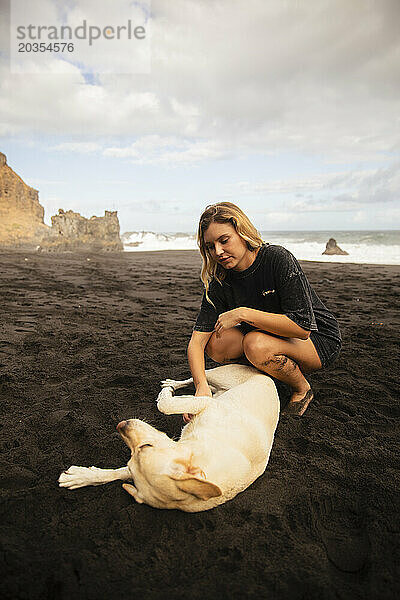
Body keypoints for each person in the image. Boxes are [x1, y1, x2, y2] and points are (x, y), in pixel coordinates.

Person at [185, 202, 341, 422]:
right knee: (215, 342)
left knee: (255, 344)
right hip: (272, 338)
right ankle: (269, 369)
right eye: (210, 246)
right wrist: (201, 388)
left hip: (317, 339)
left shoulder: (276, 258)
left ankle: (301, 388)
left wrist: (242, 314)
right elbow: (196, 343)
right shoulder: (219, 280)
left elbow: (302, 327)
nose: (218, 252)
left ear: (242, 233)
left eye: (224, 240)